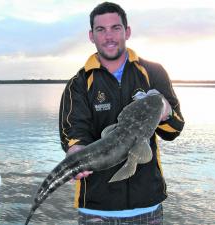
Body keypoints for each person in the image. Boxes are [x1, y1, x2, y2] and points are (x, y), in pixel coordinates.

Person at [59, 2, 184, 224]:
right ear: (91, 35)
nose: (109, 36)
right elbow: (75, 133)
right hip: (96, 209)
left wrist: (165, 112)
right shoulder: (78, 84)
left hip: (148, 205)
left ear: (127, 31)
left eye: (115, 28)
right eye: (101, 29)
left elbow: (174, 130)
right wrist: (75, 151)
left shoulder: (153, 72)